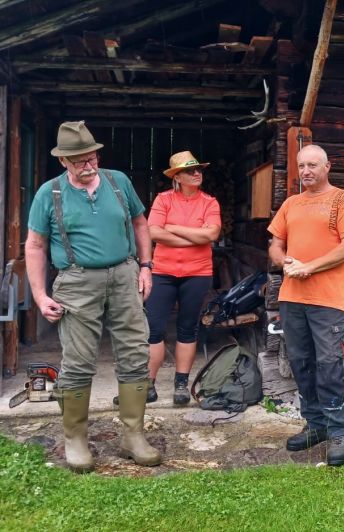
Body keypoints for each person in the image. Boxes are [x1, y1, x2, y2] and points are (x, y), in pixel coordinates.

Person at [25, 121, 162, 473]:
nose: (89, 166)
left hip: (124, 275)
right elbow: (36, 246)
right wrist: (40, 295)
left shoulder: (118, 182)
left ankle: (132, 436)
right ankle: (75, 439)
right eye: (80, 161)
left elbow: (140, 224)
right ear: (64, 162)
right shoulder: (49, 193)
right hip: (76, 281)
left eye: (92, 158)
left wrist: (145, 266)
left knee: (135, 351)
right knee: (79, 360)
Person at [267, 145, 344, 466]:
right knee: (301, 362)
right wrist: (285, 262)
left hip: (329, 298)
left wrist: (310, 267)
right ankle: (316, 424)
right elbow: (275, 244)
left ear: (327, 167)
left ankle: (339, 430)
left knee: (329, 363)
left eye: (312, 165)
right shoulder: (291, 203)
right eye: (301, 166)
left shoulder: (342, 200)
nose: (306, 171)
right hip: (293, 297)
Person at [116, 151, 220, 406]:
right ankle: (147, 385)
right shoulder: (163, 200)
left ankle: (181, 384)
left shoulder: (210, 202)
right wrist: (194, 236)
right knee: (153, 329)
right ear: (177, 177)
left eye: (198, 170)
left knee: (188, 328)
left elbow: (212, 234)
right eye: (190, 171)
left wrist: (172, 229)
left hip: (197, 273)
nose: (197, 174)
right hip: (162, 271)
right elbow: (153, 233)